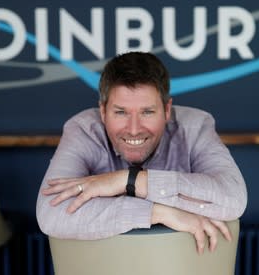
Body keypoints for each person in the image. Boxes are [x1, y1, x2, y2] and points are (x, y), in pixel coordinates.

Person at [36, 51, 247, 254]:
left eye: (147, 112)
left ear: (166, 110)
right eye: (120, 112)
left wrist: (128, 181)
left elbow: (233, 198)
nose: (134, 128)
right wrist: (158, 212)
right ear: (102, 111)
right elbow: (50, 213)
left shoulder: (195, 126)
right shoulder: (83, 130)